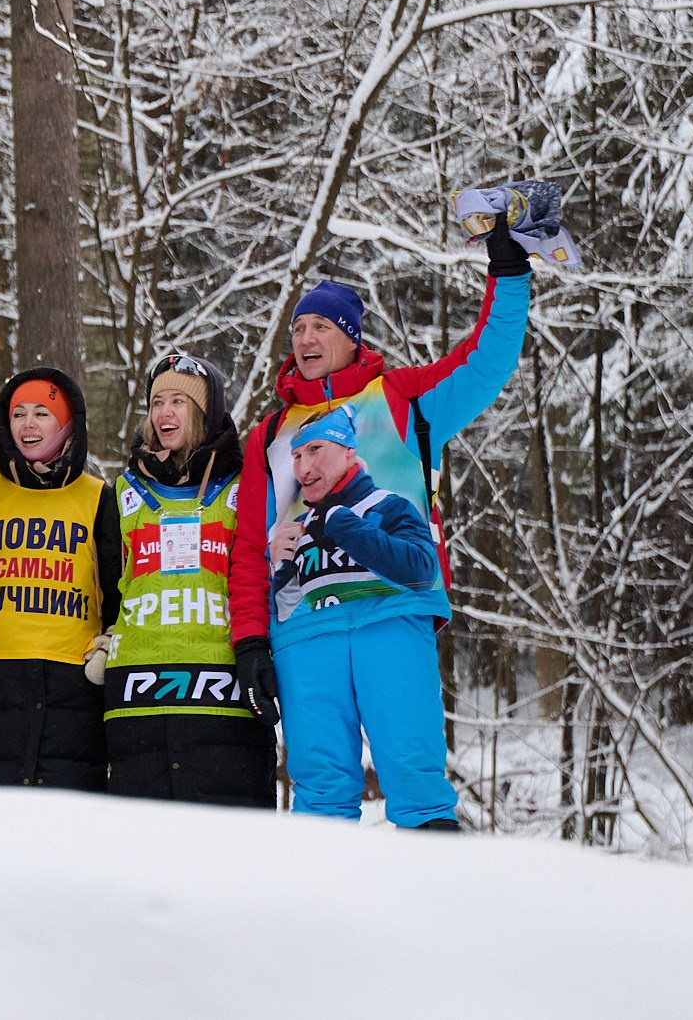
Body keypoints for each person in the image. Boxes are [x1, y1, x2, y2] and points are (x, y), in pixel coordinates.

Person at [228, 229, 531, 830]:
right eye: (298, 329)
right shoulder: (269, 434)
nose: (306, 338)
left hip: (392, 613)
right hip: (303, 628)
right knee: (319, 796)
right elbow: (247, 548)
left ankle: (435, 913)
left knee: (417, 783)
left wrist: (509, 272)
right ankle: (324, 921)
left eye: (321, 327)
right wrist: (250, 640)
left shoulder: (401, 399)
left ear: (350, 338)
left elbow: (484, 362)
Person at [103, 351, 274, 808]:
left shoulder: (246, 486)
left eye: (178, 401)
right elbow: (104, 585)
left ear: (204, 411)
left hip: (223, 689)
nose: (164, 413)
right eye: (157, 402)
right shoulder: (121, 491)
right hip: (136, 694)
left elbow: (260, 577)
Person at [0, 369, 118, 789]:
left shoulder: (99, 497)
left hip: (73, 684)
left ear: (67, 423)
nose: (28, 424)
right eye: (18, 414)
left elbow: (117, 594)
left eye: (42, 413)